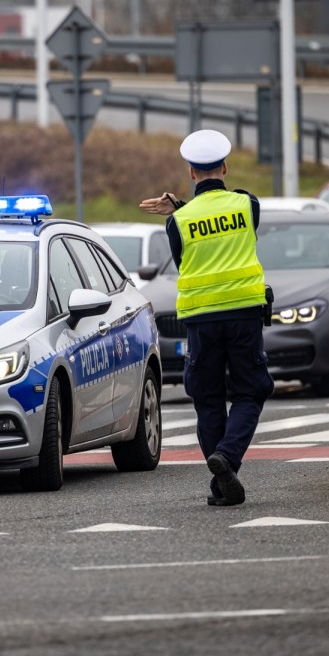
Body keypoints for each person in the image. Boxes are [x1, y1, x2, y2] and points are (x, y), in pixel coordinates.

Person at [138, 129, 274, 507]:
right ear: (226, 167)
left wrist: (180, 206)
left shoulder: (177, 222)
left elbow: (187, 257)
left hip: (201, 320)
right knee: (251, 391)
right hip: (245, 315)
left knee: (208, 398)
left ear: (191, 172)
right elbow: (229, 219)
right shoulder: (248, 205)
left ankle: (221, 484)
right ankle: (227, 457)